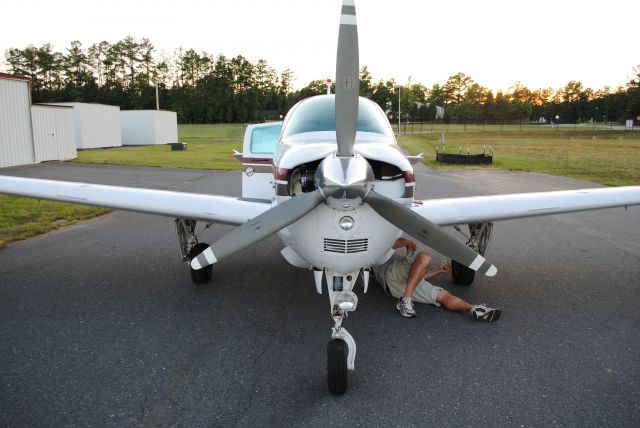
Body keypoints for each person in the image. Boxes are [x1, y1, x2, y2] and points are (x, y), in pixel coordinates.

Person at [372, 238, 501, 321]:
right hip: (391, 273)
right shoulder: (376, 249)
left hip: (393, 288)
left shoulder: (370, 254)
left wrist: (438, 271)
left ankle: (473, 308)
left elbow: (417, 277)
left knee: (443, 296)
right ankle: (406, 300)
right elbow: (391, 243)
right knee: (425, 257)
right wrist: (406, 241)